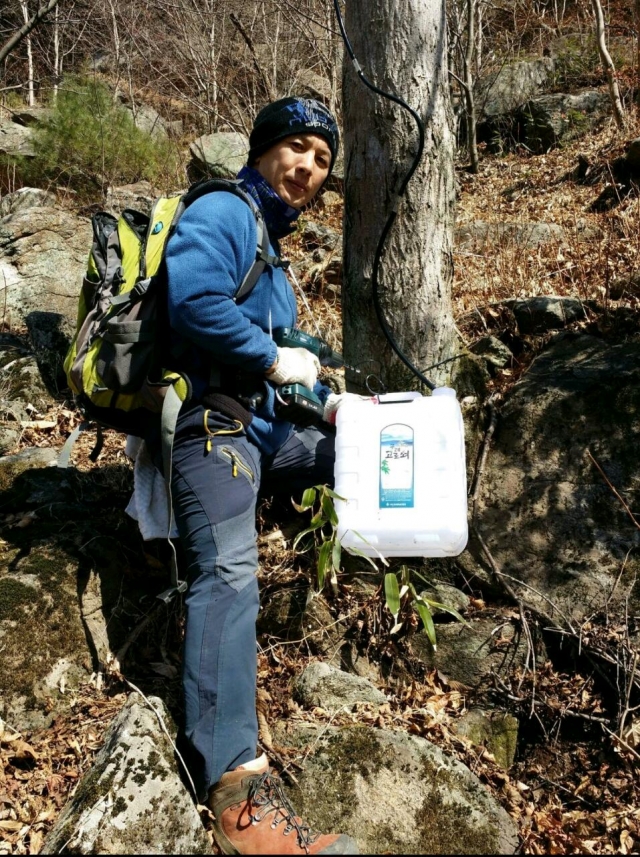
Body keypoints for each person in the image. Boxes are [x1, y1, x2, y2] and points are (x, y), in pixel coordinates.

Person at [151, 97, 359, 855]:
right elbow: (194, 301)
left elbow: (278, 364)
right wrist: (275, 358)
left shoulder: (272, 253)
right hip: (214, 431)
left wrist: (334, 408)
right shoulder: (227, 212)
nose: (308, 167)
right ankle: (237, 790)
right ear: (264, 149)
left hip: (267, 433)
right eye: (297, 148)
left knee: (361, 457)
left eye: (323, 159)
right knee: (230, 571)